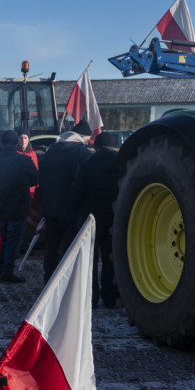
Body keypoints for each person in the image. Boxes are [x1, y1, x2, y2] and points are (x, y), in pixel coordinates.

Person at [69, 132, 122, 308]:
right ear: (113, 146)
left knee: (90, 261)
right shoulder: (122, 165)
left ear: (95, 147)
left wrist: (75, 212)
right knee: (111, 260)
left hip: (89, 220)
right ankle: (109, 297)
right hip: (113, 220)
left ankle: (91, 299)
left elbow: (76, 194)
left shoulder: (87, 165)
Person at [40, 119, 94, 285]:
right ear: (82, 137)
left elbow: (42, 177)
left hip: (50, 208)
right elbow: (84, 183)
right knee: (68, 249)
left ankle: (48, 281)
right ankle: (63, 284)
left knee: (51, 248)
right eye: (87, 139)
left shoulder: (52, 150)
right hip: (70, 210)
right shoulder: (83, 154)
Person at [0, 130, 38, 283]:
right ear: (16, 143)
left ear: (1, 143)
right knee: (14, 240)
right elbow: (35, 179)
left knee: (0, 238)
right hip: (18, 207)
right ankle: (8, 272)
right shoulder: (23, 161)